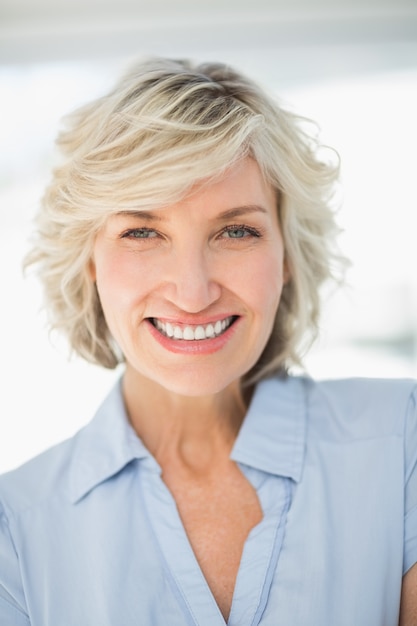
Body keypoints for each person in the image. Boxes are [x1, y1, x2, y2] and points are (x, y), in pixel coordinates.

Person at [0, 57, 416, 626]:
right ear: (90, 261)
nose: (193, 293)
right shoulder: (14, 531)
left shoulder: (401, 446)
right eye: (143, 232)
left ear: (287, 255)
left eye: (236, 230)